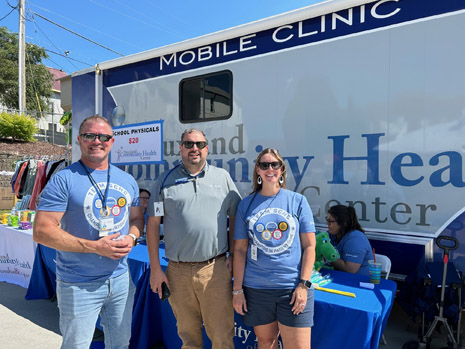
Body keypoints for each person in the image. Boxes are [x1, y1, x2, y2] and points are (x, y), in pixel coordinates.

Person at [33, 115, 144, 349]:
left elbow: (136, 219)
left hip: (120, 280)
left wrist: (132, 237)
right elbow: (42, 231)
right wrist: (96, 247)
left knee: (120, 344)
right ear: (79, 140)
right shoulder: (63, 179)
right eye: (89, 135)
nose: (97, 141)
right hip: (77, 283)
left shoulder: (127, 180)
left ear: (112, 141)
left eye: (103, 136)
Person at [146, 128, 241, 348]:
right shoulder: (164, 181)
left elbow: (236, 216)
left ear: (207, 148)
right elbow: (152, 225)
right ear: (180, 148)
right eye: (188, 144)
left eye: (199, 144)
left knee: (222, 337)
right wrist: (155, 269)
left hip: (215, 270)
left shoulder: (223, 178)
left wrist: (234, 254)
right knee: (188, 337)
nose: (194, 149)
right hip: (177, 272)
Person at [233, 148, 316, 349]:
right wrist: (237, 291)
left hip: (292, 288)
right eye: (264, 165)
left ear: (282, 169)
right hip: (257, 289)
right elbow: (240, 251)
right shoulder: (246, 204)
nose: (270, 169)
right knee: (266, 343)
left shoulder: (298, 201)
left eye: (274, 164)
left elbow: (310, 246)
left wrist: (303, 285)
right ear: (258, 171)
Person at [327, 204, 373, 275]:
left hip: (359, 282)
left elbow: (350, 269)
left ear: (344, 223)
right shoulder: (330, 235)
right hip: (337, 277)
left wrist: (326, 255)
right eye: (327, 220)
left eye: (331, 221)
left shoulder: (356, 239)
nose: (327, 223)